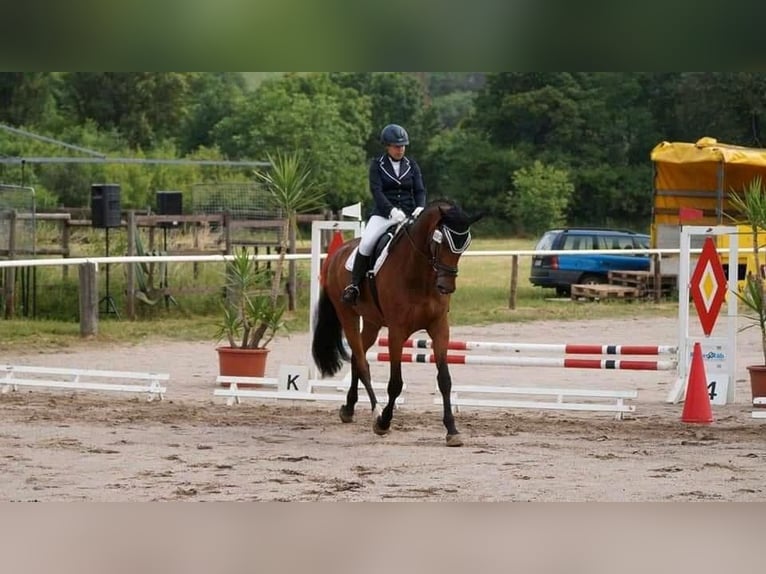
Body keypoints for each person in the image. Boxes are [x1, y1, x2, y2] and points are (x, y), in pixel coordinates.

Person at [342, 123, 426, 305]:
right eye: (397, 146)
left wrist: (420, 207)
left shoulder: (412, 165)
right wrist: (391, 210)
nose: (400, 149)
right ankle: (354, 286)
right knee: (366, 243)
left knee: (428, 242)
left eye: (403, 146)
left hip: (410, 214)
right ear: (387, 146)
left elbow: (420, 190)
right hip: (383, 215)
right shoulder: (377, 165)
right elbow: (377, 191)